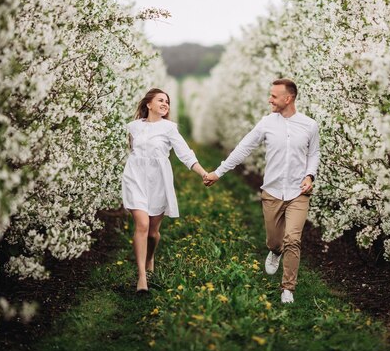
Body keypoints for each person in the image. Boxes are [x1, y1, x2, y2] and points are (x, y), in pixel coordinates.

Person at [204, 79, 320, 304]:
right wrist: (219, 172)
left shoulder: (309, 125)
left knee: (293, 239)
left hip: (298, 192)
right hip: (273, 191)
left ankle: (288, 288)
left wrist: (310, 175)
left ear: (288, 98)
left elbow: (313, 154)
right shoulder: (266, 124)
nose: (270, 99)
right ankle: (275, 251)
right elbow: (243, 148)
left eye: (274, 96)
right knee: (276, 241)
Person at [122, 88, 208, 293]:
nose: (165, 104)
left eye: (167, 102)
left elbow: (185, 154)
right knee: (141, 224)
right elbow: (129, 152)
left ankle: (150, 256)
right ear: (148, 104)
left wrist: (203, 173)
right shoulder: (133, 127)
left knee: (152, 233)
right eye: (160, 100)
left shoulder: (169, 128)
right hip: (135, 178)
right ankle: (142, 276)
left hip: (159, 181)